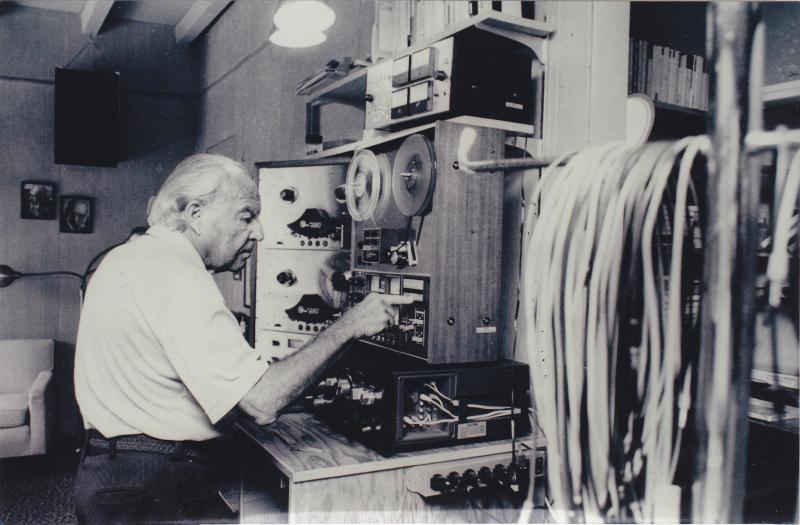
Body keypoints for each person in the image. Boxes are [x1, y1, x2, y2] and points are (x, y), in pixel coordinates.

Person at [73, 154, 412, 523]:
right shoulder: (175, 275)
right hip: (156, 478)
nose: (260, 232)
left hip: (115, 472)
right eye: (247, 215)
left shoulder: (130, 258)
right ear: (194, 212)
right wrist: (351, 324)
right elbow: (263, 401)